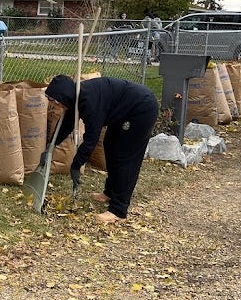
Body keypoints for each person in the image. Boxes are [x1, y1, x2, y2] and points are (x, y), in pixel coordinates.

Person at [43, 73, 159, 225]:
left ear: (63, 96)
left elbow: (91, 139)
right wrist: (50, 147)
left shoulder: (89, 101)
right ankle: (110, 192)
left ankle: (119, 210)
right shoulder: (74, 98)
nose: (53, 104)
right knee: (110, 145)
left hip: (142, 108)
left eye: (54, 100)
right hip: (122, 111)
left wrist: (77, 164)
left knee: (125, 156)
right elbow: (66, 125)